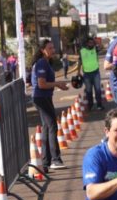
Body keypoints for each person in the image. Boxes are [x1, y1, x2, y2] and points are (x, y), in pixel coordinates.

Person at [31, 39, 69, 171]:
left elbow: (47, 82)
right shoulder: (41, 63)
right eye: (50, 48)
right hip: (41, 97)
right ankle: (55, 159)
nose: (53, 50)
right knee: (52, 125)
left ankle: (45, 162)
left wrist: (58, 84)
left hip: (45, 97)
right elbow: (41, 84)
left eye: (53, 48)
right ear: (43, 50)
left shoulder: (46, 62)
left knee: (47, 127)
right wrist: (57, 84)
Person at [78, 38, 104, 111]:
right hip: (86, 74)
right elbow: (80, 61)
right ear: (87, 43)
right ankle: (90, 105)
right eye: (90, 43)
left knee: (98, 90)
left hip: (96, 72)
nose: (91, 44)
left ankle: (99, 105)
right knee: (88, 91)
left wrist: (98, 42)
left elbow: (102, 47)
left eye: (92, 43)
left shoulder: (95, 49)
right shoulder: (82, 51)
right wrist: (78, 72)